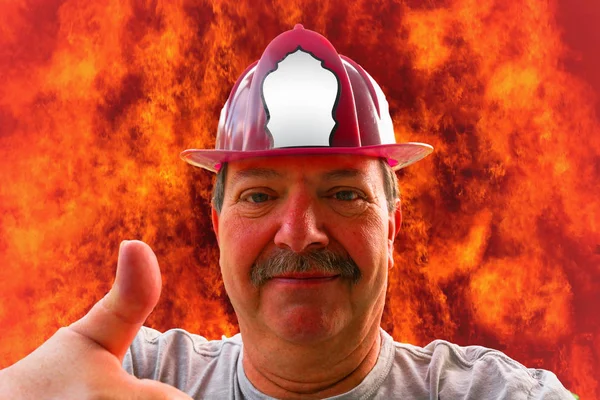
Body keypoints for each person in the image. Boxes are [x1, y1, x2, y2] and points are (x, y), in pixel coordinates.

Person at [0, 25, 573, 400]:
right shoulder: (128, 374)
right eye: (260, 195)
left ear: (393, 228)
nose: (300, 235)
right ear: (218, 226)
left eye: (345, 193)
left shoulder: (496, 395)